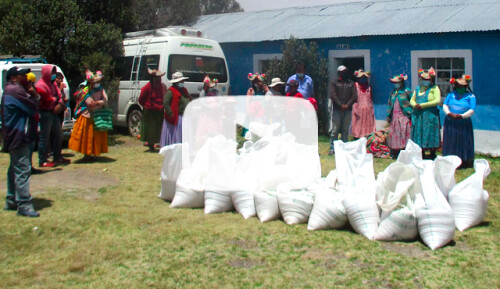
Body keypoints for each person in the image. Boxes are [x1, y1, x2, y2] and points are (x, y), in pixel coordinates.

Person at [1, 67, 40, 217]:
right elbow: (33, 106)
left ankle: (11, 199)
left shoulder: (10, 89)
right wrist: (33, 93)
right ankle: (24, 205)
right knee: (23, 169)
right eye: (22, 75)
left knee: (14, 168)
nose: (26, 77)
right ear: (14, 78)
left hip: (13, 134)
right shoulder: (16, 91)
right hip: (19, 135)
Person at [68, 69, 109, 161]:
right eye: (96, 82)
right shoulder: (85, 91)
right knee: (87, 136)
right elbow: (91, 104)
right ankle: (87, 154)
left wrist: (98, 102)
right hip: (87, 115)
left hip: (97, 115)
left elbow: (106, 99)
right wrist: (101, 102)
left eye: (98, 81)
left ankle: (93, 152)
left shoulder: (100, 89)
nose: (97, 83)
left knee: (95, 135)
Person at [35, 64, 70, 167]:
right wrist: (56, 100)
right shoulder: (40, 85)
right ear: (46, 73)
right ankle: (43, 160)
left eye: (54, 73)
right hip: (45, 112)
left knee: (59, 134)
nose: (53, 75)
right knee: (44, 137)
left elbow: (58, 95)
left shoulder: (52, 84)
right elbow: (47, 98)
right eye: (52, 73)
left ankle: (57, 156)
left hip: (54, 112)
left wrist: (59, 103)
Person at [442, 75, 476, 168]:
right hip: (451, 122)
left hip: (463, 123)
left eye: (462, 87)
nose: (460, 88)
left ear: (466, 87)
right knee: (451, 141)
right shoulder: (451, 95)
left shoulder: (471, 96)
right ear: (455, 86)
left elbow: (472, 109)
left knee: (463, 141)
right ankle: (450, 159)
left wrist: (462, 116)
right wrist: (449, 113)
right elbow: (445, 105)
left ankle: (464, 160)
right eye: (459, 86)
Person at [410, 67, 441, 159]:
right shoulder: (418, 88)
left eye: (427, 79)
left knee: (430, 132)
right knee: (419, 132)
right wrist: (415, 105)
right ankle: (421, 152)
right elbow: (412, 99)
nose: (425, 81)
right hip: (419, 115)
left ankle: (432, 152)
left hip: (430, 115)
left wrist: (423, 105)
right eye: (424, 79)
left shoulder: (434, 88)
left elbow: (437, 100)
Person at [329, 65, 357, 155]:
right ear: (339, 73)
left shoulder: (351, 83)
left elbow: (354, 96)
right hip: (337, 109)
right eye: (342, 72)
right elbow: (333, 95)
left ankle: (344, 147)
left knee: (345, 130)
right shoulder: (334, 83)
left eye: (345, 71)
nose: (344, 73)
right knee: (335, 129)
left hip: (348, 110)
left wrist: (347, 105)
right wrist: (340, 105)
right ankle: (333, 148)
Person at [139, 68, 167, 151]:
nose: (159, 79)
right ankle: (151, 144)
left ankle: (158, 142)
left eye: (159, 77)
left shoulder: (162, 86)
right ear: (152, 78)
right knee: (151, 129)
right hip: (150, 111)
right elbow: (141, 99)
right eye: (157, 77)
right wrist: (147, 107)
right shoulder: (147, 87)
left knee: (158, 128)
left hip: (159, 111)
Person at [160, 72, 191, 146]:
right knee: (175, 133)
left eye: (183, 81)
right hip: (175, 117)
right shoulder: (171, 91)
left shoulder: (184, 90)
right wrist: (170, 113)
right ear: (176, 82)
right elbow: (165, 102)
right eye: (181, 81)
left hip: (184, 116)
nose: (182, 83)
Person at [386, 74, 413, 159]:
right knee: (395, 134)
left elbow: (412, 102)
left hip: (404, 116)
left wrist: (410, 113)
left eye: (397, 82)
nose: (396, 84)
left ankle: (404, 151)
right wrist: (388, 115)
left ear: (401, 82)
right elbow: (390, 104)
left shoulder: (407, 91)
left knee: (403, 133)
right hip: (394, 117)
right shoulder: (393, 92)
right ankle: (395, 152)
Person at [25, 72, 42, 174]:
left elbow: (38, 100)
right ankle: (27, 167)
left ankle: (30, 165)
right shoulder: (24, 92)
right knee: (27, 145)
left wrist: (35, 94)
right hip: (28, 120)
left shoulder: (33, 90)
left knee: (31, 144)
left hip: (34, 119)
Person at [351, 69, 375, 139]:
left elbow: (371, 98)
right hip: (358, 111)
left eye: (364, 78)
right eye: (362, 78)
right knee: (358, 129)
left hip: (368, 112)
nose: (363, 79)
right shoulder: (355, 86)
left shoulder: (369, 87)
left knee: (368, 130)